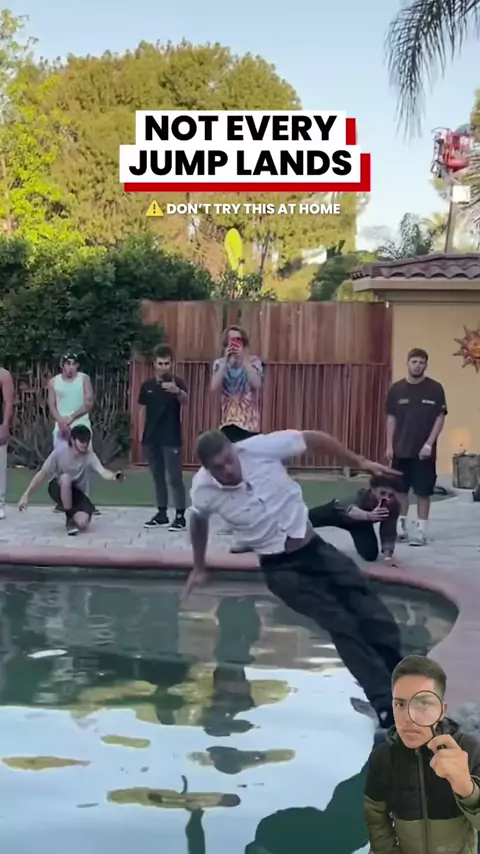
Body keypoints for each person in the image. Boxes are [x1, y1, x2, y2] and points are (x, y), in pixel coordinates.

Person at [184, 428, 404, 734]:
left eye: (229, 460)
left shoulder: (259, 449)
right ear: (207, 469)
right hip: (280, 569)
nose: (228, 470)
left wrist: (359, 461)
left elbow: (311, 438)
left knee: (374, 615)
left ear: (234, 450)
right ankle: (384, 707)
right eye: (218, 468)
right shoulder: (203, 489)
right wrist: (199, 565)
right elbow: (197, 520)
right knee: (341, 623)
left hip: (316, 550)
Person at [364, 654, 480, 853]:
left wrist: (466, 788)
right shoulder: (383, 758)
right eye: (400, 704)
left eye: (423, 703)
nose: (409, 718)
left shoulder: (469, 750)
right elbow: (376, 821)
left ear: (441, 711)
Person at [386, 348, 447, 546]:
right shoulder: (396, 389)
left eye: (421, 362)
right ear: (407, 363)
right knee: (400, 491)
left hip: (424, 453)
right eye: (414, 362)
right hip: (400, 450)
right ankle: (401, 528)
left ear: (426, 365)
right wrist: (389, 446)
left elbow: (440, 418)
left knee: (423, 492)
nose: (418, 365)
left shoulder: (435, 389)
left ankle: (420, 532)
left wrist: (429, 443)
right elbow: (391, 419)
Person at [18, 424, 123, 535]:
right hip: (58, 487)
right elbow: (42, 474)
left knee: (82, 523)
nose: (84, 444)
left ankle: (73, 515)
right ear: (72, 440)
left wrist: (114, 476)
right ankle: (69, 519)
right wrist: (26, 495)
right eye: (81, 441)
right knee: (65, 478)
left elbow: (102, 472)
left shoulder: (90, 456)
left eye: (86, 441)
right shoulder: (59, 453)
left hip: (78, 494)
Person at [138, 344, 188, 531]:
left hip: (171, 437)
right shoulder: (147, 386)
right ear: (154, 364)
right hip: (151, 438)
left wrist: (178, 392)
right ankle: (161, 514)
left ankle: (180, 516)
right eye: (160, 363)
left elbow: (186, 401)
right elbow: (142, 411)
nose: (164, 367)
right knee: (157, 476)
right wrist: (141, 436)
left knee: (175, 477)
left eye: (167, 363)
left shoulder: (178, 382)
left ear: (171, 364)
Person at [309, 474, 401, 564]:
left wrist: (387, 556)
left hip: (359, 524)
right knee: (306, 520)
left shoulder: (393, 505)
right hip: (336, 513)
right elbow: (350, 510)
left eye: (391, 495)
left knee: (370, 555)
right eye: (382, 493)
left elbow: (389, 531)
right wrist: (369, 515)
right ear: (373, 490)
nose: (386, 498)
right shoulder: (362, 495)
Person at [47, 352, 98, 514]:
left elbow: (88, 403)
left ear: (77, 365)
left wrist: (72, 417)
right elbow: (52, 405)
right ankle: (63, 501)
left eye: (73, 364)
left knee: (84, 464)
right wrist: (61, 421)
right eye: (67, 364)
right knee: (61, 464)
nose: (70, 367)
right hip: (61, 426)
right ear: (62, 365)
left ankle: (85, 501)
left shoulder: (83, 379)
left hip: (80, 424)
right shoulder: (53, 382)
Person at [211, 326, 263, 442]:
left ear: (244, 343)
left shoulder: (253, 361)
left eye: (238, 340)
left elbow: (257, 384)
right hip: (227, 423)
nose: (235, 344)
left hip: (249, 424)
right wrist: (226, 361)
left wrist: (244, 360)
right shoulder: (220, 363)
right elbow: (214, 387)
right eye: (231, 340)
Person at [0, 367, 14, 521]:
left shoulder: (3, 375)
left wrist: (5, 426)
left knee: (0, 467)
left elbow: (8, 403)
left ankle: (0, 504)